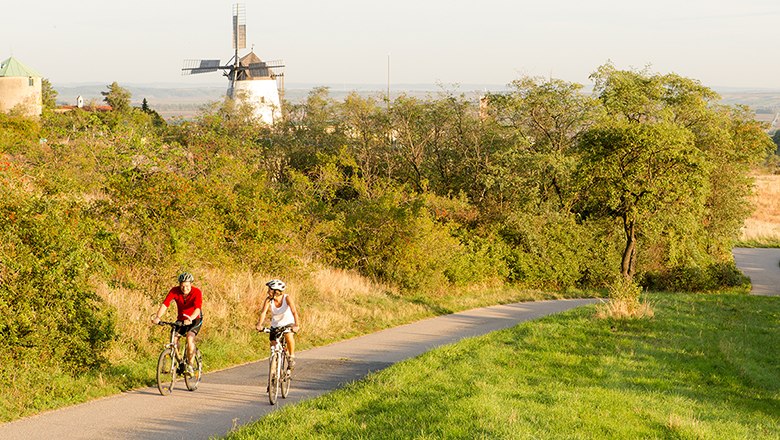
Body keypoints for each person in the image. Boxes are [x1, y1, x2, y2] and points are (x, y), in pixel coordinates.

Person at [151, 272, 203, 376]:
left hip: (195, 319)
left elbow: (197, 309)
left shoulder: (197, 292)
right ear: (179, 284)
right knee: (174, 338)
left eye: (187, 286)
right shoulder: (174, 291)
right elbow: (165, 304)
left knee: (189, 337)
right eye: (182, 286)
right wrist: (158, 317)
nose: (184, 288)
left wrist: (191, 318)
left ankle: (190, 366)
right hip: (181, 319)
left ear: (191, 284)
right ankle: (178, 360)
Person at [255, 279, 301, 370]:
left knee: (288, 336)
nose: (268, 292)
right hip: (276, 325)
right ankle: (274, 371)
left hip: (288, 323)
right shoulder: (268, 300)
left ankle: (291, 356)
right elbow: (263, 312)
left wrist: (297, 325)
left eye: (270, 290)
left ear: (276, 291)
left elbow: (294, 311)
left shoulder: (287, 298)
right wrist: (259, 324)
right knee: (273, 344)